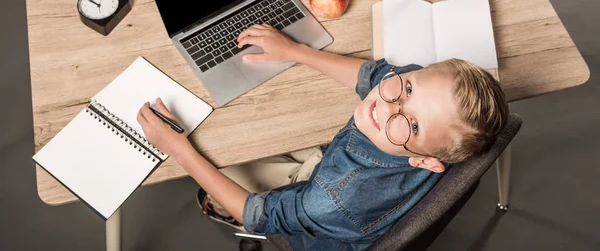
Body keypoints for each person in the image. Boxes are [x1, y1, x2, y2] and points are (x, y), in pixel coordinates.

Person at [137, 24, 508, 251]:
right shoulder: (419, 93)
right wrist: (295, 51)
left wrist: (178, 150)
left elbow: (258, 214)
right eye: (406, 88)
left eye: (411, 125)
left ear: (427, 161)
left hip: (316, 216)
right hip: (333, 170)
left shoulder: (333, 199)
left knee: (215, 173)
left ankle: (213, 206)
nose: (387, 104)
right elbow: (374, 76)